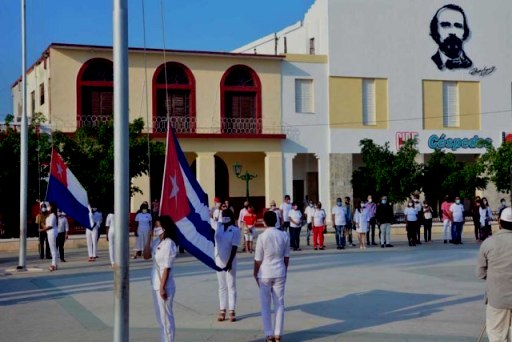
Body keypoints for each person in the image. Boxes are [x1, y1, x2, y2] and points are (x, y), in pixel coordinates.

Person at [476, 207, 512, 342]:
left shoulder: (489, 243)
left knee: (497, 336)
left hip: (497, 299)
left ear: (499, 222)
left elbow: (480, 273)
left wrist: (494, 276)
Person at [254, 210, 290, 342]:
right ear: (276, 220)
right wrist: (284, 271)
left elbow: (258, 259)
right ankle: (278, 334)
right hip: (279, 271)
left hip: (265, 273)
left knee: (265, 305)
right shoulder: (284, 235)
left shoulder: (262, 237)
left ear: (264, 222)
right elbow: (286, 257)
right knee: (279, 303)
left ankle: (269, 334)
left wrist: (255, 272)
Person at [143, 215, 178, 342]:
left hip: (165, 285)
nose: (155, 228)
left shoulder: (169, 243)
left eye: (157, 226)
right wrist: (148, 238)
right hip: (155, 284)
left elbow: (167, 267)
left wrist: (162, 287)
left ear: (164, 227)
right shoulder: (157, 241)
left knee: (166, 318)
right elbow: (146, 256)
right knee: (160, 318)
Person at [214, 209, 240, 323]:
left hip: (230, 261)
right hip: (218, 261)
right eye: (222, 215)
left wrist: (229, 262)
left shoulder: (235, 230)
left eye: (226, 215)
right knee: (222, 286)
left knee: (231, 286)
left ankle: (232, 311)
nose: (224, 217)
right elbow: (206, 219)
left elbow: (234, 247)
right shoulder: (218, 227)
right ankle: (222, 310)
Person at [430, 4, 473, 71]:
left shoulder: (469, 63)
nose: (452, 31)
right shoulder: (431, 62)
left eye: (458, 26)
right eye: (445, 25)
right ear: (435, 30)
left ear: (465, 31)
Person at [41, 202, 58, 271]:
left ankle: (53, 264)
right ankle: (55, 264)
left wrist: (42, 230)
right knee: (52, 249)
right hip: (49, 233)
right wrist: (42, 223)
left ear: (52, 208)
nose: (48, 207)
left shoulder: (53, 215)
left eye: (49, 206)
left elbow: (50, 226)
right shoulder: (49, 216)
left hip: (52, 233)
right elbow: (46, 226)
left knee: (53, 250)